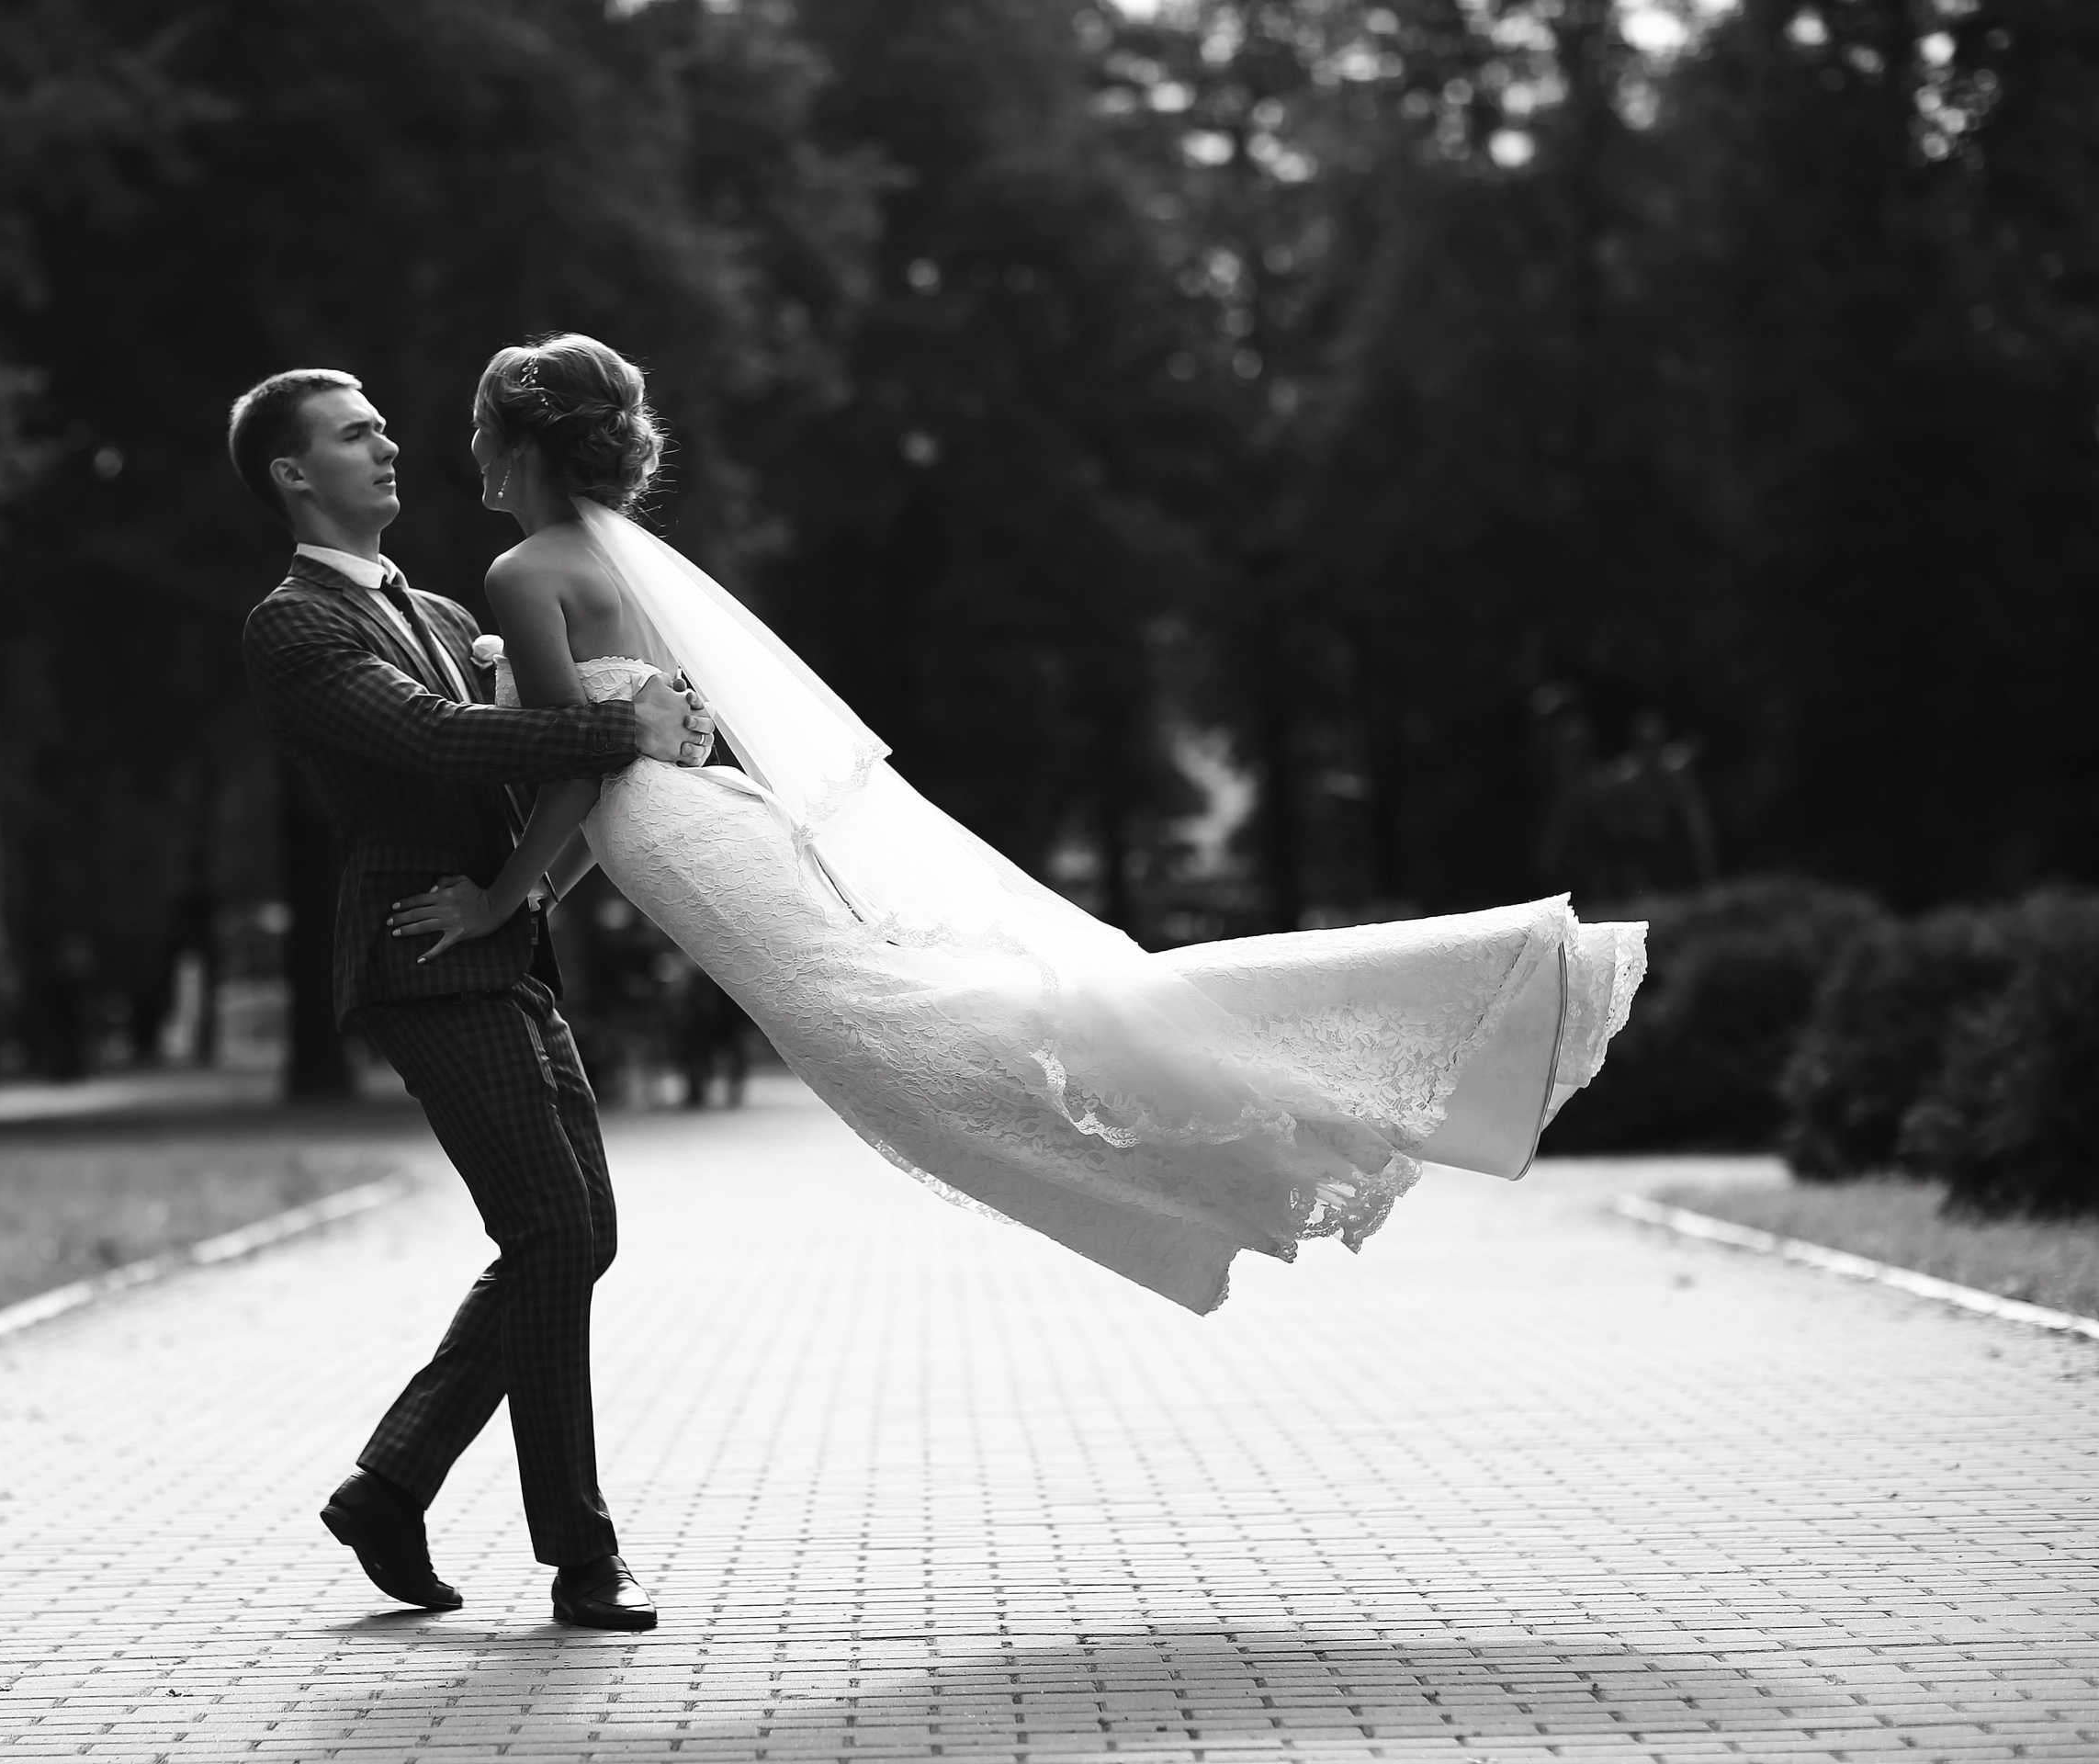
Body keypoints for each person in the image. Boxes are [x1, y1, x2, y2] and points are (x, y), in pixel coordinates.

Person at [388, 334, 1649, 1321]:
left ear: (529, 444)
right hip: (704, 824)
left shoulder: (525, 573)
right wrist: (544, 876)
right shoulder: (627, 565)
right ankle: (1260, 1121)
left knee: (929, 1046)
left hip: (664, 830)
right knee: (955, 1031)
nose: (474, 460)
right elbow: (632, 736)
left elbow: (574, 761)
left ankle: (1295, 1103)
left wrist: (505, 899)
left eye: (483, 438)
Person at [232, 366, 716, 1632]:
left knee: (580, 1236)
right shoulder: (293, 625)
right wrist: (627, 727)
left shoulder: (447, 608)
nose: (390, 442)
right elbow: (441, 743)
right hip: (420, 949)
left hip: (502, 943)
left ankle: (390, 1485)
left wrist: (545, 870)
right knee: (557, 1232)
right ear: (293, 474)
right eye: (354, 434)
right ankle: (582, 1556)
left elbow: (514, 750)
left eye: (385, 426)